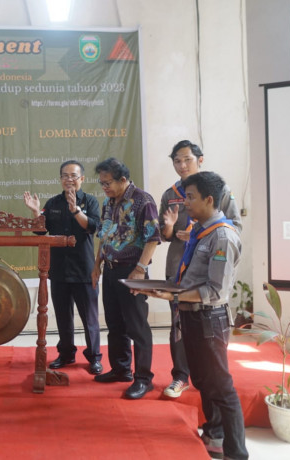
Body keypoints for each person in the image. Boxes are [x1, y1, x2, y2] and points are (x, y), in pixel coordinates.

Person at [134, 172, 248, 460]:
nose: (185, 203)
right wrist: (162, 290)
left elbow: (213, 291)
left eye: (192, 197)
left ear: (209, 199)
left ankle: (236, 452)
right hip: (192, 315)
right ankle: (214, 434)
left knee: (221, 385)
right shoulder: (200, 230)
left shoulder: (221, 236)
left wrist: (170, 295)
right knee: (202, 379)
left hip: (210, 318)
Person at [158, 140, 242, 399]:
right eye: (177, 161)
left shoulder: (218, 189)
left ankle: (212, 380)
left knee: (208, 331)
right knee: (179, 324)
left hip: (209, 272)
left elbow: (235, 227)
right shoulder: (170, 194)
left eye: (187, 159)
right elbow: (164, 235)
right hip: (179, 269)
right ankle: (181, 377)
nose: (182, 165)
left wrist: (202, 233)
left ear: (200, 159)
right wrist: (173, 230)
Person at [23, 160, 103, 375]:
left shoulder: (91, 201)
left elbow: (93, 227)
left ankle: (94, 357)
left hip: (84, 270)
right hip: (58, 270)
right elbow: (41, 231)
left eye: (73, 176)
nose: (69, 179)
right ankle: (66, 354)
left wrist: (75, 209)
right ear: (60, 179)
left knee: (90, 319)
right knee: (63, 317)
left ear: (82, 179)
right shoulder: (53, 203)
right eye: (65, 176)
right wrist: (35, 213)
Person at [92, 157, 160, 400]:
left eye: (108, 183)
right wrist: (96, 265)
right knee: (115, 324)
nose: (104, 187)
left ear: (123, 179)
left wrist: (140, 269)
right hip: (110, 269)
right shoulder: (108, 202)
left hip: (133, 270)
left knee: (137, 326)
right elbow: (104, 235)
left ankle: (144, 379)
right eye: (101, 183)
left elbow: (153, 238)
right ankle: (121, 369)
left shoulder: (143, 200)